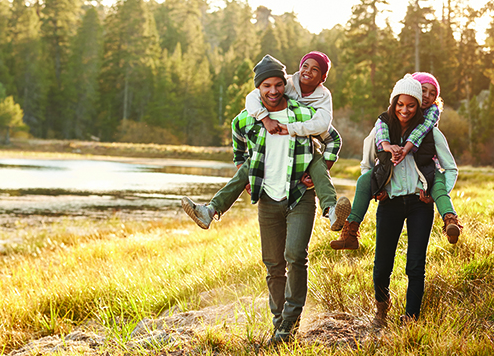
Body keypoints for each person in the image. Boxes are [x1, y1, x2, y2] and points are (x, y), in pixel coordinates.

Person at [222, 55, 332, 343]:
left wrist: (323, 165)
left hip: (300, 195)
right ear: (258, 89)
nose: (273, 91)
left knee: (295, 256)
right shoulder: (250, 116)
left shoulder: (302, 113)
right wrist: (242, 168)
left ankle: (290, 322)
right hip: (269, 198)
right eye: (266, 85)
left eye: (278, 84)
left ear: (286, 85)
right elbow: (237, 137)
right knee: (273, 265)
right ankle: (280, 324)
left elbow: (333, 137)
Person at [181, 51, 350, 232]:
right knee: (249, 165)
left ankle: (332, 211)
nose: (307, 71)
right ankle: (210, 211)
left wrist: (321, 167)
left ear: (323, 77)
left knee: (318, 164)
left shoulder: (322, 98)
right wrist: (265, 119)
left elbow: (326, 127)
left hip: (306, 148)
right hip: (271, 149)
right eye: (305, 66)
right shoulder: (286, 84)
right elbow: (252, 98)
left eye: (315, 69)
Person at [359, 74, 458, 325]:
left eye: (411, 105)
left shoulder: (431, 134)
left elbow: (451, 169)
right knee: (382, 264)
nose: (405, 110)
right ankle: (382, 308)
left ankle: (411, 317)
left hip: (419, 205)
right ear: (394, 104)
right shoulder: (381, 131)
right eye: (400, 105)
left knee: (415, 264)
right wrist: (376, 188)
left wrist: (435, 192)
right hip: (389, 203)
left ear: (418, 107)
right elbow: (365, 165)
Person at [330, 72, 463, 250]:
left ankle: (450, 220)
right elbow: (369, 156)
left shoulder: (430, 121)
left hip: (425, 173)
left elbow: (423, 134)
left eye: (432, 94)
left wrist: (406, 148)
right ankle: (350, 230)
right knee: (364, 181)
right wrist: (378, 186)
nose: (427, 97)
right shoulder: (385, 121)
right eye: (423, 90)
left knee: (438, 184)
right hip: (391, 186)